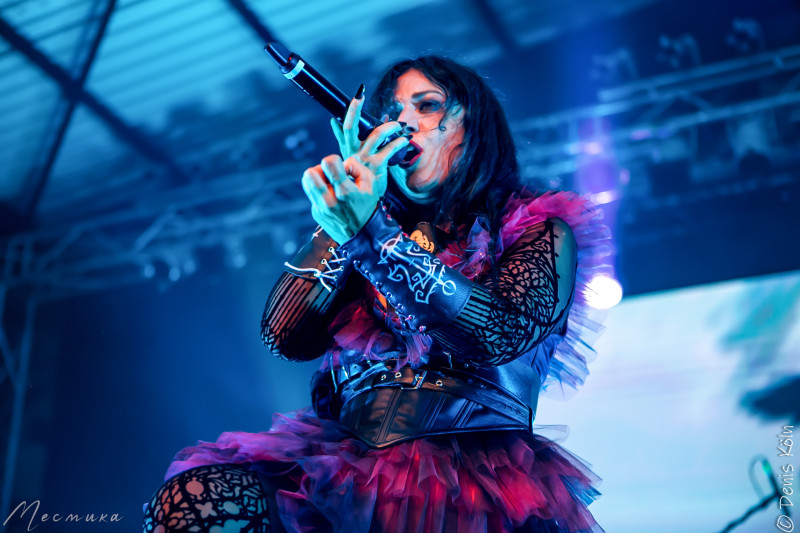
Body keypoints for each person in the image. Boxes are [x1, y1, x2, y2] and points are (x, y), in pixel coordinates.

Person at [142, 55, 610, 533]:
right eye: (391, 113)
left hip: (468, 477)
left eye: (426, 105)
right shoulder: (363, 227)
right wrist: (346, 220)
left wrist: (372, 232)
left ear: (473, 125)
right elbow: (284, 336)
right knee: (194, 503)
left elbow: (497, 332)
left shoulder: (539, 230)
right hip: (343, 468)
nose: (402, 123)